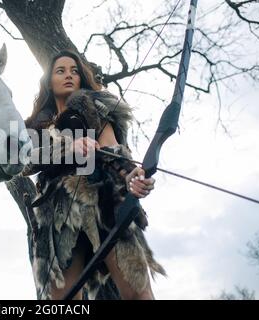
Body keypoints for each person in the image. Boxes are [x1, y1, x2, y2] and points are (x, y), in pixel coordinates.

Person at [23, 51, 166, 300]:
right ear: (49, 81)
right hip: (58, 212)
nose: (69, 75)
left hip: (104, 202)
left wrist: (133, 178)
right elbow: (23, 162)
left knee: (137, 294)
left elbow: (115, 156)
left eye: (74, 70)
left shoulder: (95, 111)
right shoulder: (37, 125)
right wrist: (67, 147)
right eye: (61, 71)